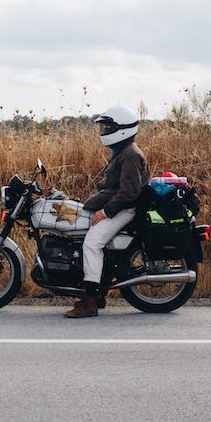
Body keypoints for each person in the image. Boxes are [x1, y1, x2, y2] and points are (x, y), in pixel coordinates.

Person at [64, 105, 150, 319]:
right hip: (116, 206)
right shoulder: (123, 151)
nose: (104, 132)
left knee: (92, 243)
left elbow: (129, 192)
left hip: (123, 209)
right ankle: (98, 291)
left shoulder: (130, 154)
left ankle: (90, 301)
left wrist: (106, 211)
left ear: (122, 130)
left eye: (109, 127)